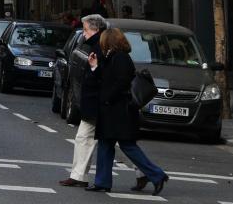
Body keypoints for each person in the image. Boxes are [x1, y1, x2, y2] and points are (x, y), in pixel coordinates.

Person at [86, 28, 168, 195]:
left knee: (127, 146)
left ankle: (157, 175)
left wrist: (107, 98)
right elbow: (105, 78)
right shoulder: (112, 57)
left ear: (109, 41)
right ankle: (102, 181)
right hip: (113, 110)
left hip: (119, 110)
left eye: (103, 41)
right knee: (105, 145)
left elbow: (121, 82)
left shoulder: (121, 58)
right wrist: (95, 67)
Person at [59, 13, 107, 188]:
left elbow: (101, 75)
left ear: (95, 29)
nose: (83, 34)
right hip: (94, 101)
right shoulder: (96, 45)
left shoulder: (100, 46)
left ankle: (147, 172)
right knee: (84, 138)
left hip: (97, 102)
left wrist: (94, 68)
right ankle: (79, 175)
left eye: (86, 30)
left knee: (122, 143)